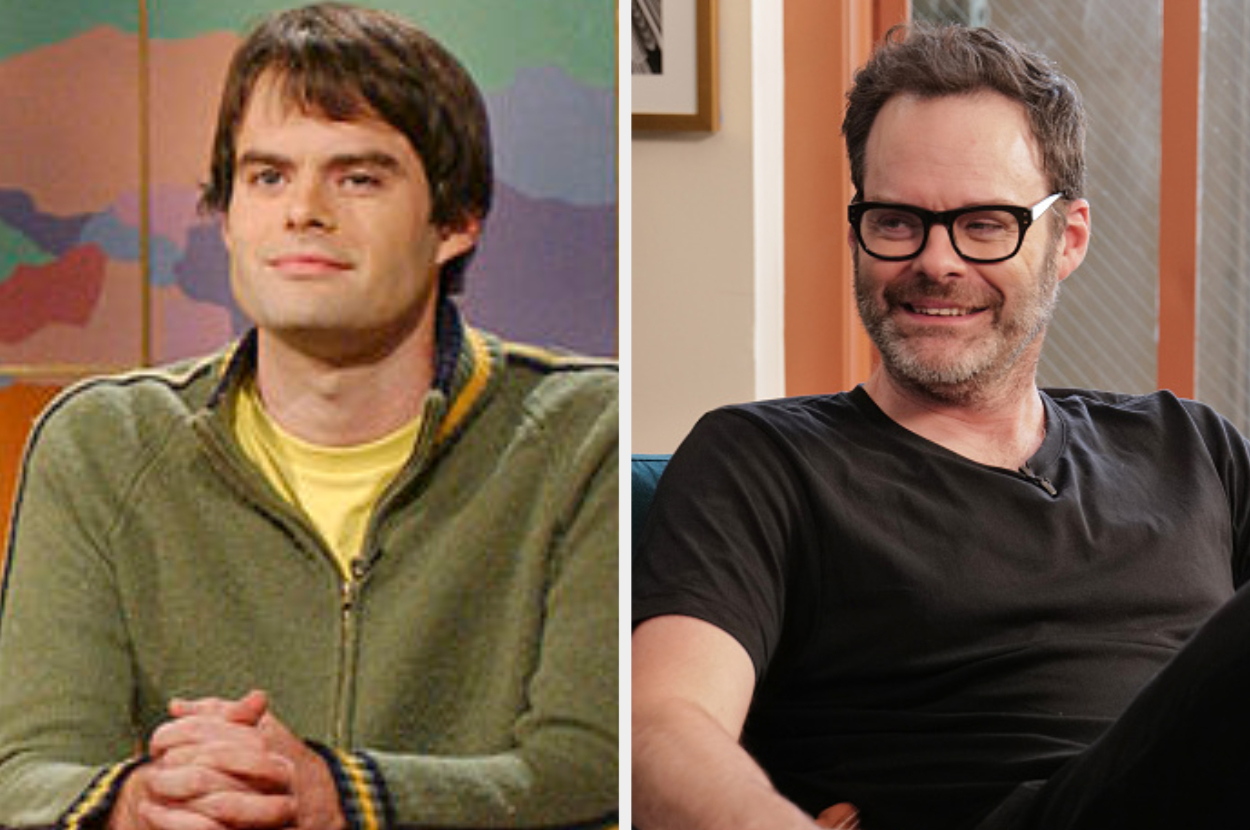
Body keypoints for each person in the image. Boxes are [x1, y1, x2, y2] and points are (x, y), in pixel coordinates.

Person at [0, 5, 618, 830]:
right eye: (268, 176)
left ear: (456, 221)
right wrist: (136, 805)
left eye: (358, 177)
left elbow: (594, 770)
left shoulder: (585, 437)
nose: (304, 211)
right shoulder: (100, 445)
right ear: (226, 215)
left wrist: (343, 795)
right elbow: (27, 774)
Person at [633, 22, 1250, 830]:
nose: (937, 261)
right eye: (896, 221)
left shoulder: (1189, 447)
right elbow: (661, 724)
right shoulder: (764, 461)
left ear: (1067, 240)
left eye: (985, 224)